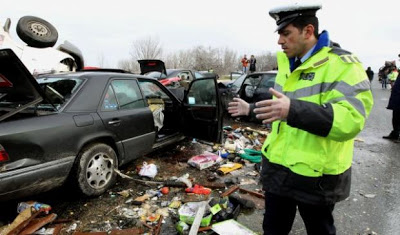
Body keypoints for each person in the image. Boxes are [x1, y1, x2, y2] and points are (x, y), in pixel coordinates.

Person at [227, 3, 373, 234]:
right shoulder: (287, 64)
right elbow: (280, 108)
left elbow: (351, 120)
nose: (280, 41)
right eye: (279, 34)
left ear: (308, 31)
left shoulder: (343, 65)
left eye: (286, 33)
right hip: (277, 169)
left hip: (315, 176)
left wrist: (292, 110)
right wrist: (250, 109)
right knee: (273, 229)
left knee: (320, 230)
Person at [383, 58, 400, 141]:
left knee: (397, 117)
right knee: (396, 117)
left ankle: (396, 133)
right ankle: (395, 133)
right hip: (397, 99)